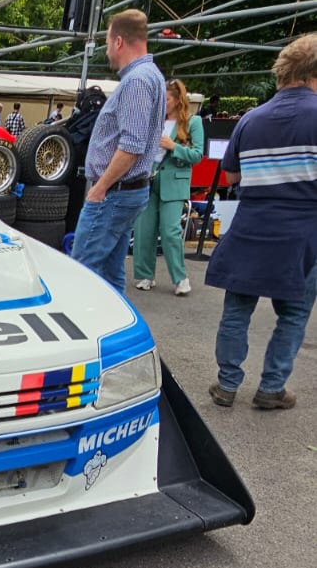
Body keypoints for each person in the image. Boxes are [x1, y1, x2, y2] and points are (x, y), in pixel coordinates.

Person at [204, 33, 317, 410]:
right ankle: (271, 388)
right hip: (302, 232)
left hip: (251, 226)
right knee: (294, 313)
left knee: (237, 309)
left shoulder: (250, 120)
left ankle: (227, 384)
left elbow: (232, 178)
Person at [71, 9, 166, 294]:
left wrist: (100, 188)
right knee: (111, 275)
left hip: (114, 193)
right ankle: (116, 332)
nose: (107, 50)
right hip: (127, 192)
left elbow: (131, 146)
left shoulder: (137, 82)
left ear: (119, 42)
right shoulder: (152, 77)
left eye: (108, 42)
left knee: (81, 272)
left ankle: (83, 334)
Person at [132, 78, 204, 296]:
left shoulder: (193, 122)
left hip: (174, 183)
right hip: (148, 180)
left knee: (171, 231)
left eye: (167, 98)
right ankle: (145, 275)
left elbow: (197, 155)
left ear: (177, 100)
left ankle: (180, 278)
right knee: (144, 231)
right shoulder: (155, 121)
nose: (162, 102)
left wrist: (173, 147)